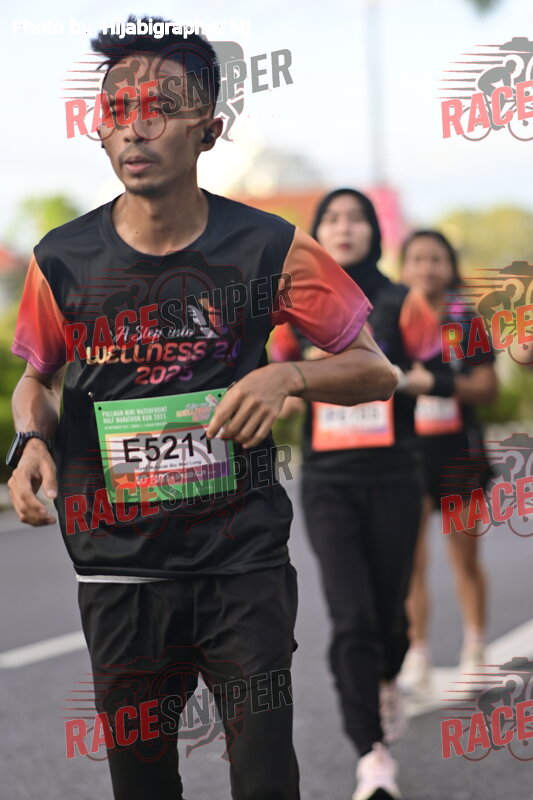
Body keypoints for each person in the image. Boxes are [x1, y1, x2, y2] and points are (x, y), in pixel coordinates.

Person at [6, 18, 398, 800]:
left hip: (239, 564)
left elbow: (374, 370)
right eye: (117, 109)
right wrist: (29, 442)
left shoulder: (268, 248)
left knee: (264, 777)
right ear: (99, 127)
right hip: (119, 568)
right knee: (142, 783)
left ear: (208, 130)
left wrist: (288, 379)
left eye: (159, 106)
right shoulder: (62, 259)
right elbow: (38, 380)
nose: (134, 126)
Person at [272, 189, 454, 800]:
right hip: (329, 482)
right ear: (317, 233)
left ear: (375, 231)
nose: (344, 228)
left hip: (395, 476)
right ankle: (370, 753)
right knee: (350, 616)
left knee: (390, 617)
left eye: (356, 218)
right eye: (332, 219)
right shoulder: (296, 307)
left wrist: (379, 377)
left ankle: (387, 675)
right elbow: (274, 379)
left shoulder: (403, 302)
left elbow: (443, 377)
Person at [398, 230, 498, 694]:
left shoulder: (466, 321)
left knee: (465, 556)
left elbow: (488, 388)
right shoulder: (391, 319)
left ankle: (475, 649)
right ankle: (417, 653)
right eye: (417, 258)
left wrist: (434, 384)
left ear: (450, 267)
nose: (427, 267)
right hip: (409, 451)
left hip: (459, 450)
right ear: (403, 267)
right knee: (411, 561)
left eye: (436, 259)